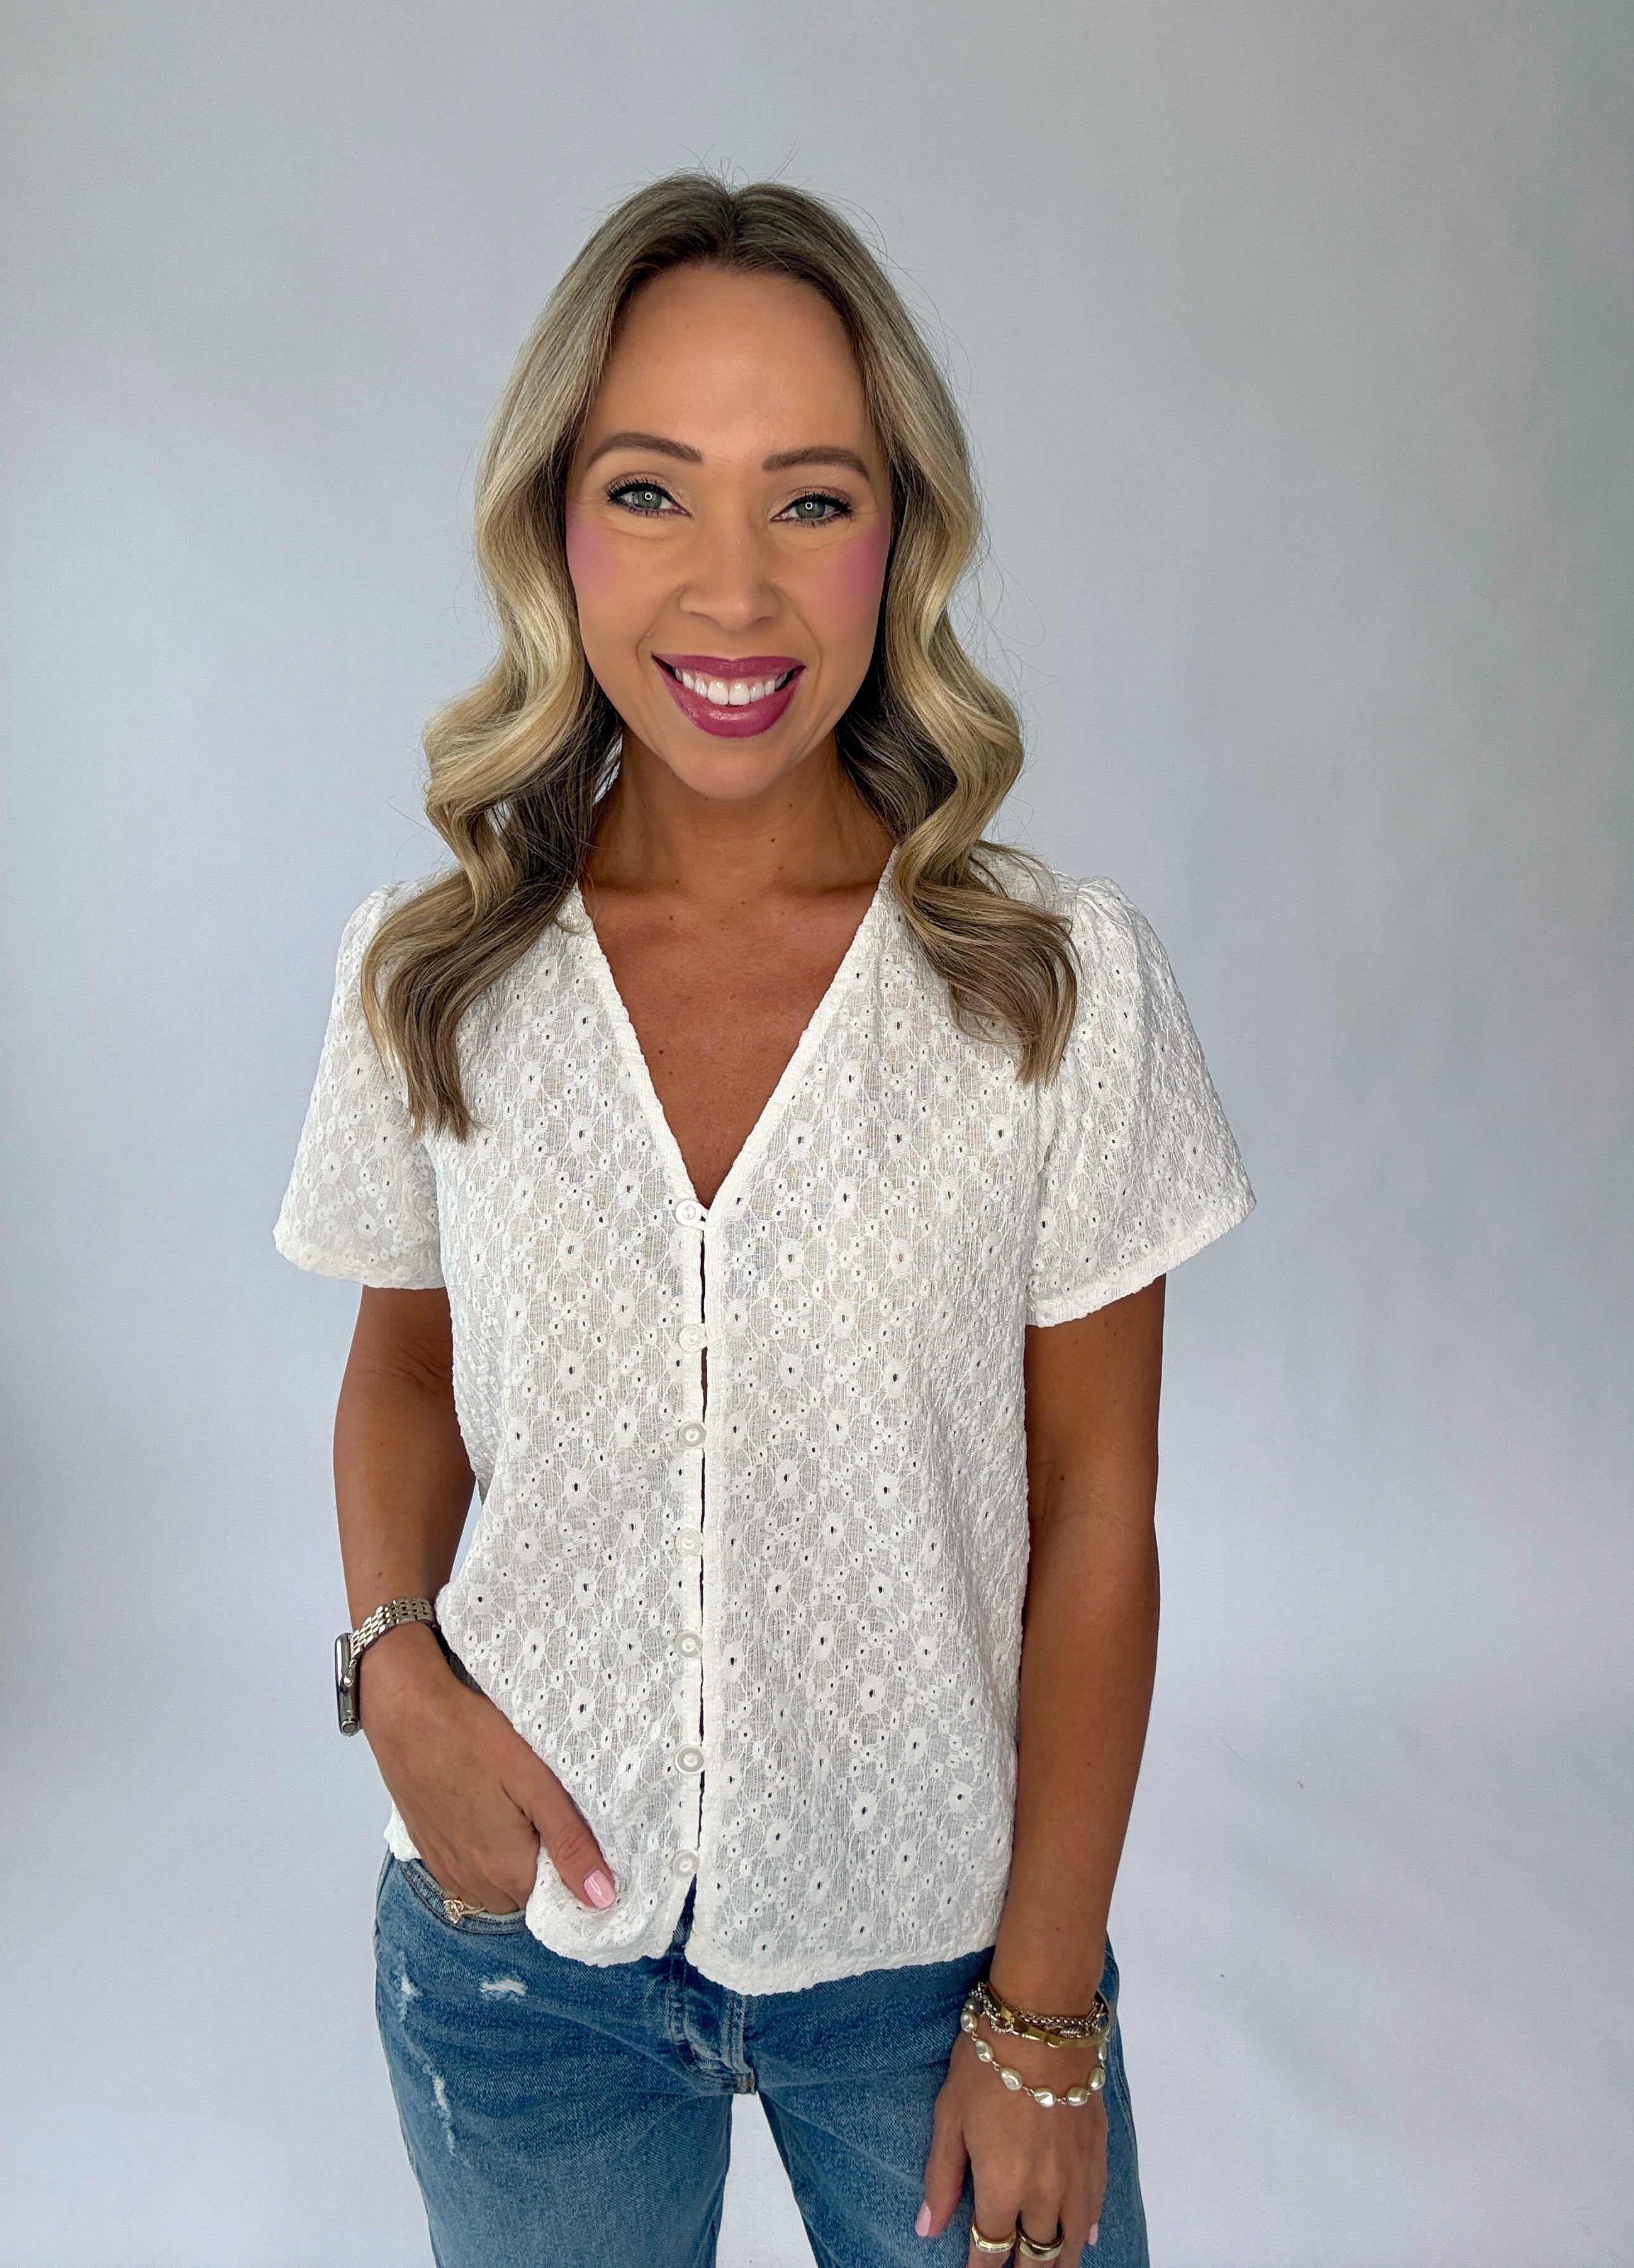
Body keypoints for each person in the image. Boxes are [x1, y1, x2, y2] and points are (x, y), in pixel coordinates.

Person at [274, 172, 1252, 2268]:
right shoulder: (434, 973)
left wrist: (1045, 2010)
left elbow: (1099, 1506)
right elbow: (405, 1368)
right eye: (650, 491)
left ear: (902, 538)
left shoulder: (1051, 989)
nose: (733, 592)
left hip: (938, 1966)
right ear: (556, 526)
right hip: (520, 1961)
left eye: (812, 499)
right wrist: (394, 1667)